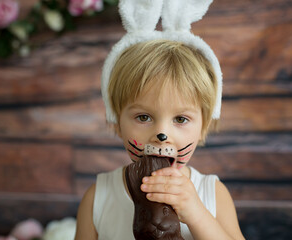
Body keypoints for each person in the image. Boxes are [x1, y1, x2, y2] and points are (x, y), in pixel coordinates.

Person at [76, 0, 245, 239]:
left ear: (203, 125)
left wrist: (197, 214)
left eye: (181, 119)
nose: (162, 133)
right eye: (143, 117)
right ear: (116, 122)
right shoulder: (99, 197)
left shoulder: (213, 194)